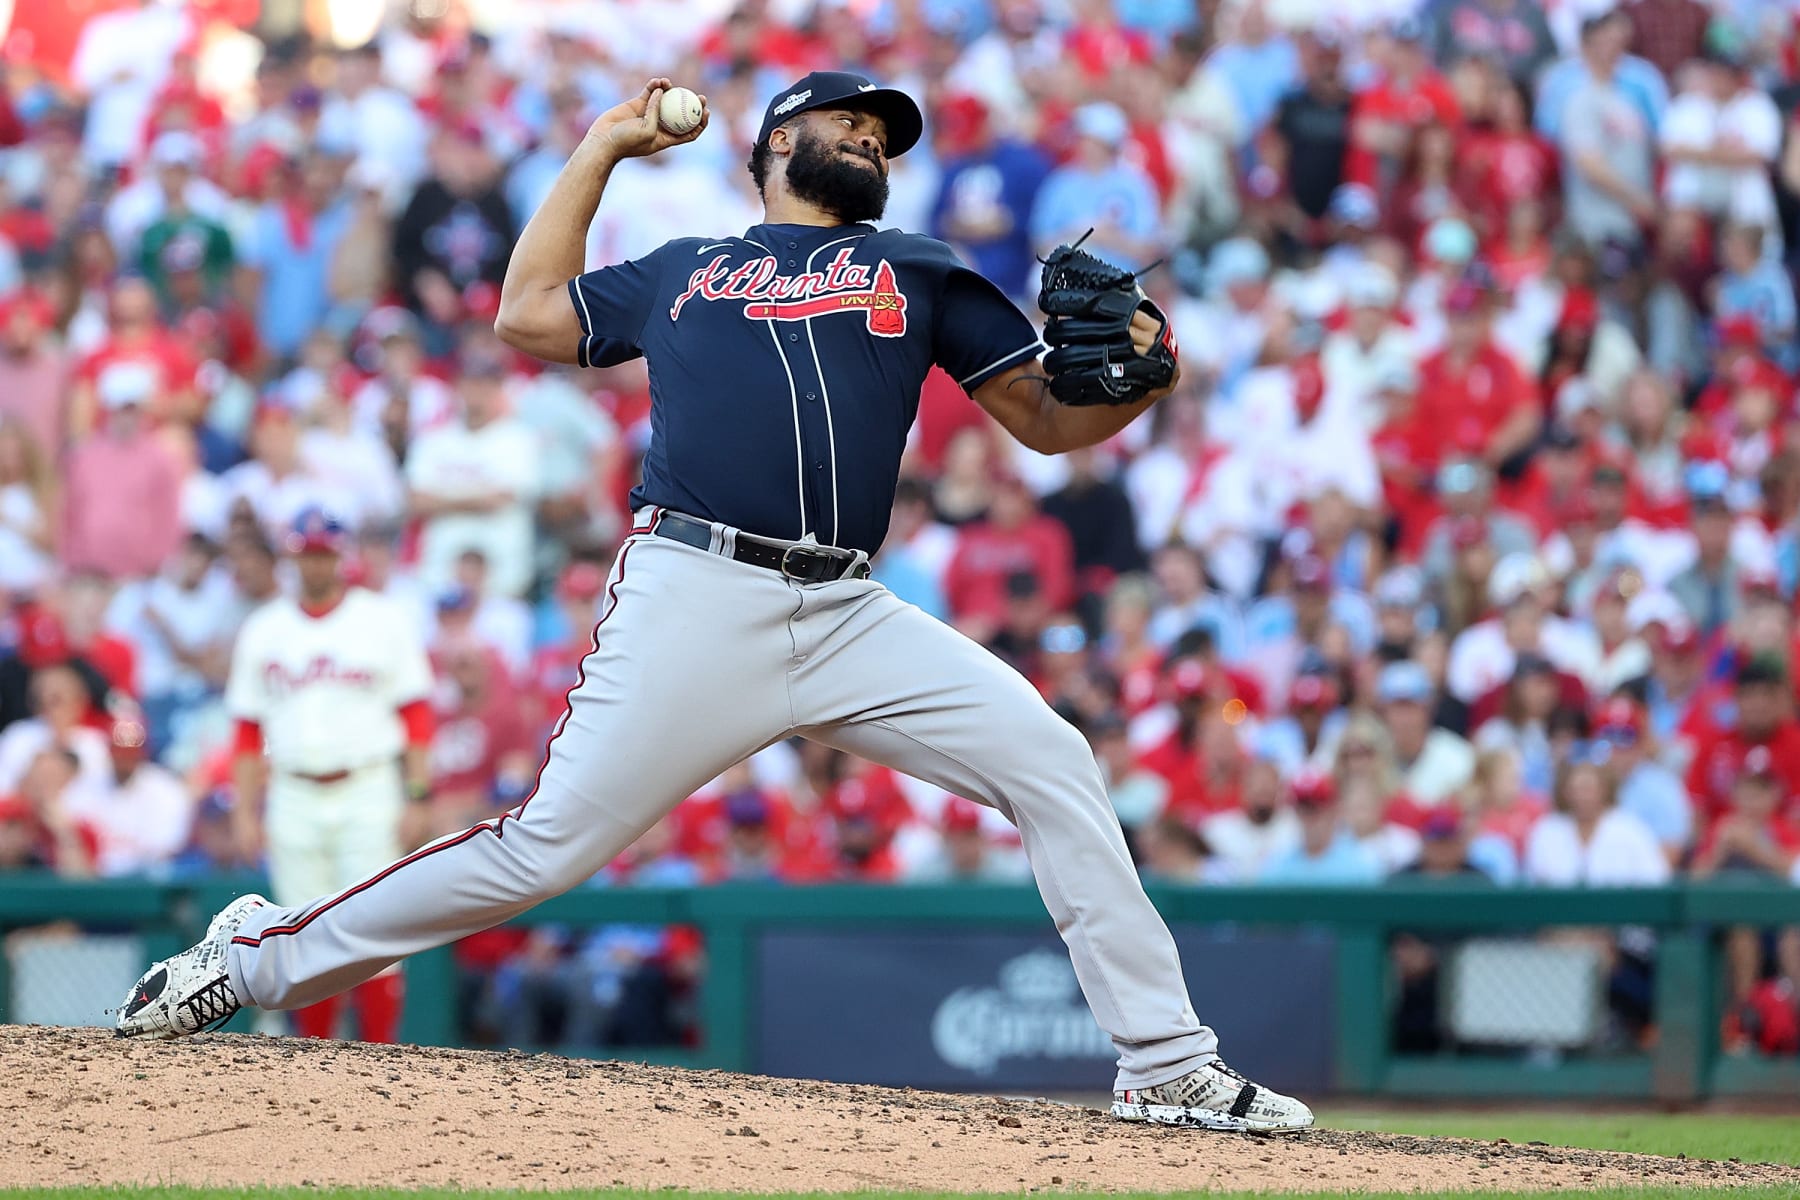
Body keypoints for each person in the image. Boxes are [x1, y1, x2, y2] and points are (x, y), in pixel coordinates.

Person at [117, 73, 1311, 1133]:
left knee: (1052, 760)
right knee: (540, 850)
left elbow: (1053, 421)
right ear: (776, 145)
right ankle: (257, 955)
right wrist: (600, 148)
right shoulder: (688, 268)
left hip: (848, 611)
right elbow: (527, 315)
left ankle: (1165, 1065)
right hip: (695, 587)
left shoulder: (924, 269)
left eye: (884, 138)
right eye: (846, 123)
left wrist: (1145, 379)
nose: (870, 144)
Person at [217, 508, 435, 1043]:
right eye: (306, 552)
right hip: (292, 790)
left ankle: (381, 1057)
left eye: (324, 552)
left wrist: (417, 794)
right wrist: (246, 810)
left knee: (375, 928)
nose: (315, 562)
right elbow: (247, 729)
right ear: (292, 557)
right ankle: (316, 1066)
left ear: (341, 556)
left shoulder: (381, 619)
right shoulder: (266, 627)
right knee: (300, 934)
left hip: (368, 788)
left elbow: (417, 715)